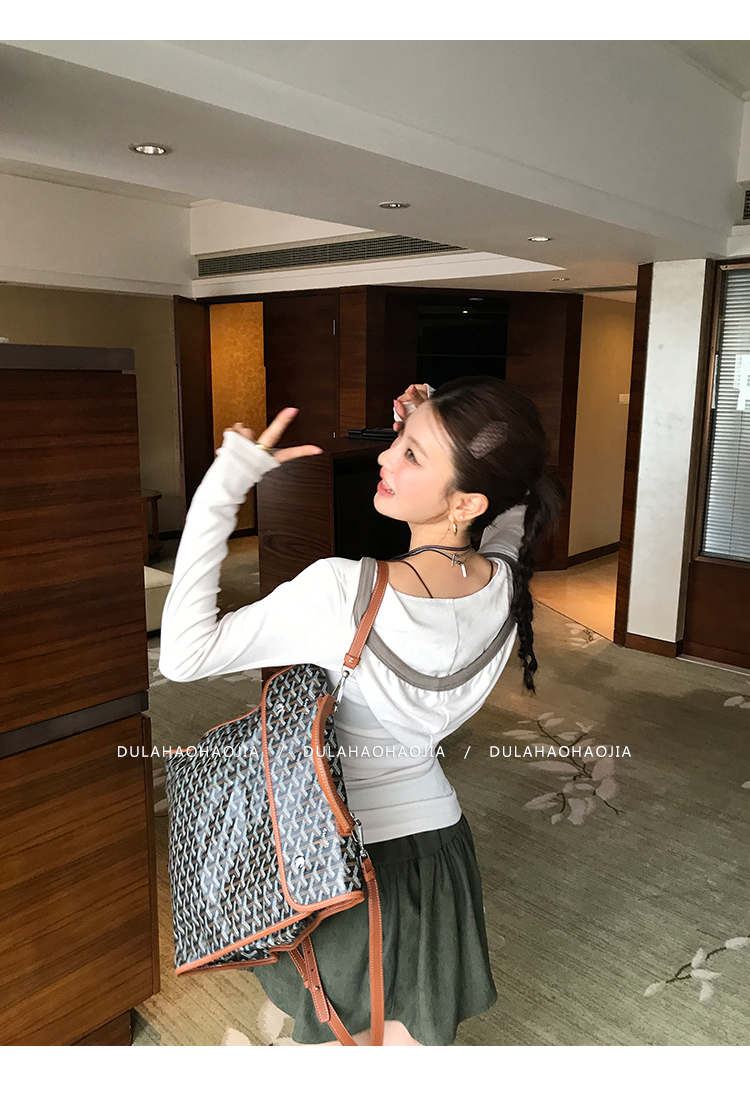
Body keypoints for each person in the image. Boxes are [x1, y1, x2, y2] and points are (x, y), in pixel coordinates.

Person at [158, 376, 564, 1047]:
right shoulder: (504, 577)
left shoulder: (342, 591)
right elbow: (514, 498)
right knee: (409, 1044)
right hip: (439, 853)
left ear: (467, 501)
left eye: (410, 453)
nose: (384, 455)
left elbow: (183, 654)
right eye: (399, 443)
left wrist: (224, 489)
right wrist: (429, 426)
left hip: (333, 859)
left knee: (344, 1045)